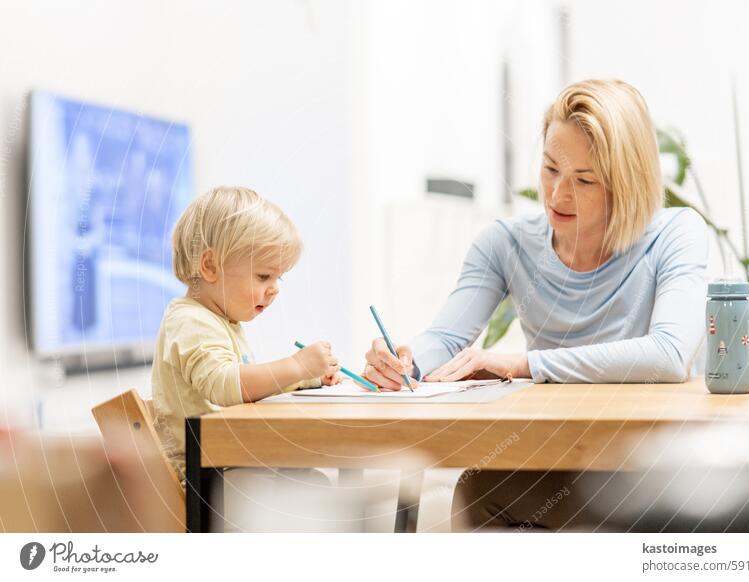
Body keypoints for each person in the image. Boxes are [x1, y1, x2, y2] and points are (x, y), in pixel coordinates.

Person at [361, 79, 708, 530]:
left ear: (626, 183)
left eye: (584, 180)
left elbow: (669, 355)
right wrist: (405, 364)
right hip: (555, 456)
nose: (558, 195)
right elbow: (446, 338)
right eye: (550, 169)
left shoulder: (675, 234)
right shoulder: (505, 244)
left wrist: (522, 364)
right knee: (478, 486)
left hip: (652, 465)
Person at [151, 186, 341, 483]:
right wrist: (297, 365)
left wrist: (306, 378)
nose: (274, 288)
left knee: (311, 481)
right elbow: (225, 386)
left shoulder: (220, 322)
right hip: (205, 479)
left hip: (228, 467)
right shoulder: (191, 322)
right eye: (263, 276)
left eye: (279, 277)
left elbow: (246, 389)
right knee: (307, 489)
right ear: (210, 266)